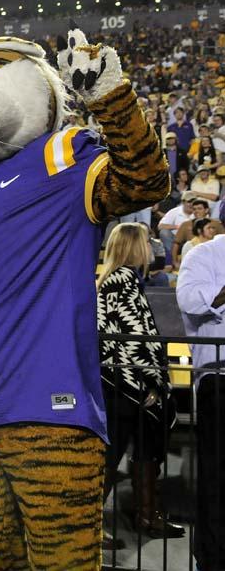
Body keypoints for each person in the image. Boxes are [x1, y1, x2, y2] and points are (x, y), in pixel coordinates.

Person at [96, 223, 184, 549]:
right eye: (146, 242)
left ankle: (148, 515)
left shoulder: (125, 279)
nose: (152, 248)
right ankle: (90, 526)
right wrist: (148, 382)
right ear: (134, 246)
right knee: (111, 453)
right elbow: (133, 339)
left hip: (127, 381)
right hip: (125, 383)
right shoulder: (122, 281)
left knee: (144, 448)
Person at [176, 236, 225, 571]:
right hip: (220, 377)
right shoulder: (203, 254)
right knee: (218, 474)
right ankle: (213, 558)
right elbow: (190, 300)